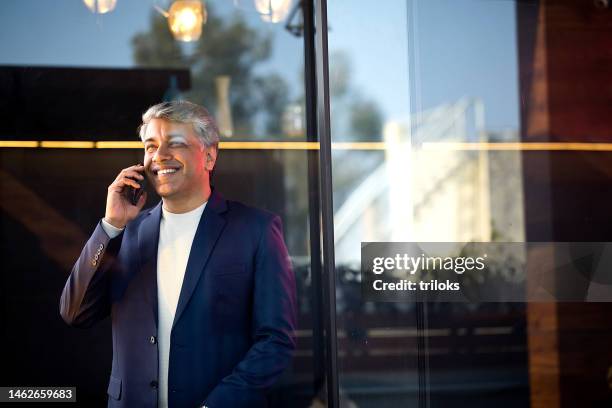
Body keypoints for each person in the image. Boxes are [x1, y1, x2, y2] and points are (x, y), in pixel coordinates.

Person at [60, 101, 297, 408]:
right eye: (151, 146)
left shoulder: (257, 230)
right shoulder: (125, 233)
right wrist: (110, 226)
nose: (159, 156)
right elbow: (75, 312)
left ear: (209, 155)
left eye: (175, 144)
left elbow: (276, 341)